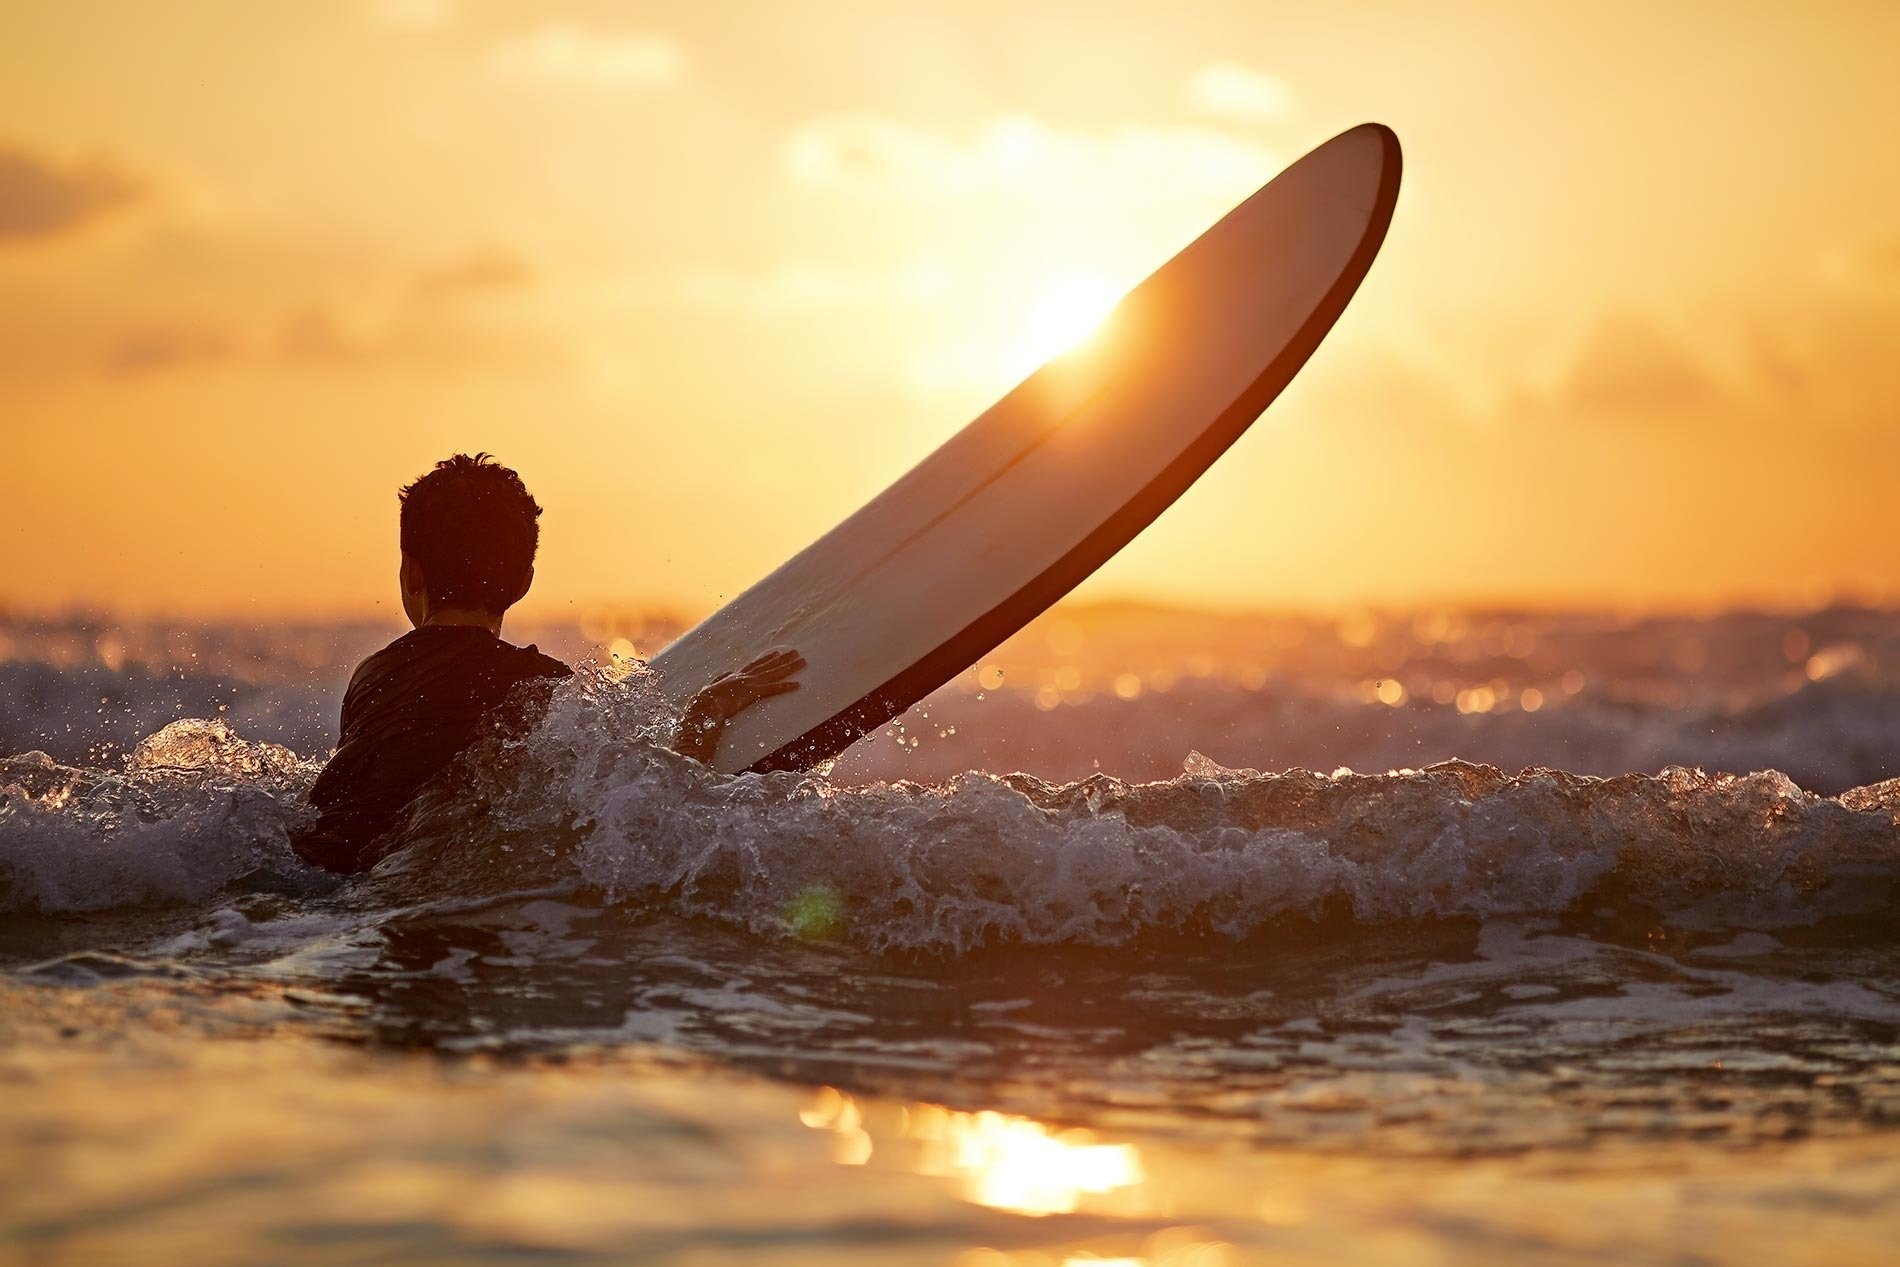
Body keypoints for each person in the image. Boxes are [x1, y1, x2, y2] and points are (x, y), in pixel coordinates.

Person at [292, 453, 802, 874]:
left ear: (412, 573)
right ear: (523, 582)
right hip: (397, 879)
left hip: (316, 866)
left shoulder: (371, 676)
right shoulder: (540, 686)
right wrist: (706, 711)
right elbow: (644, 815)